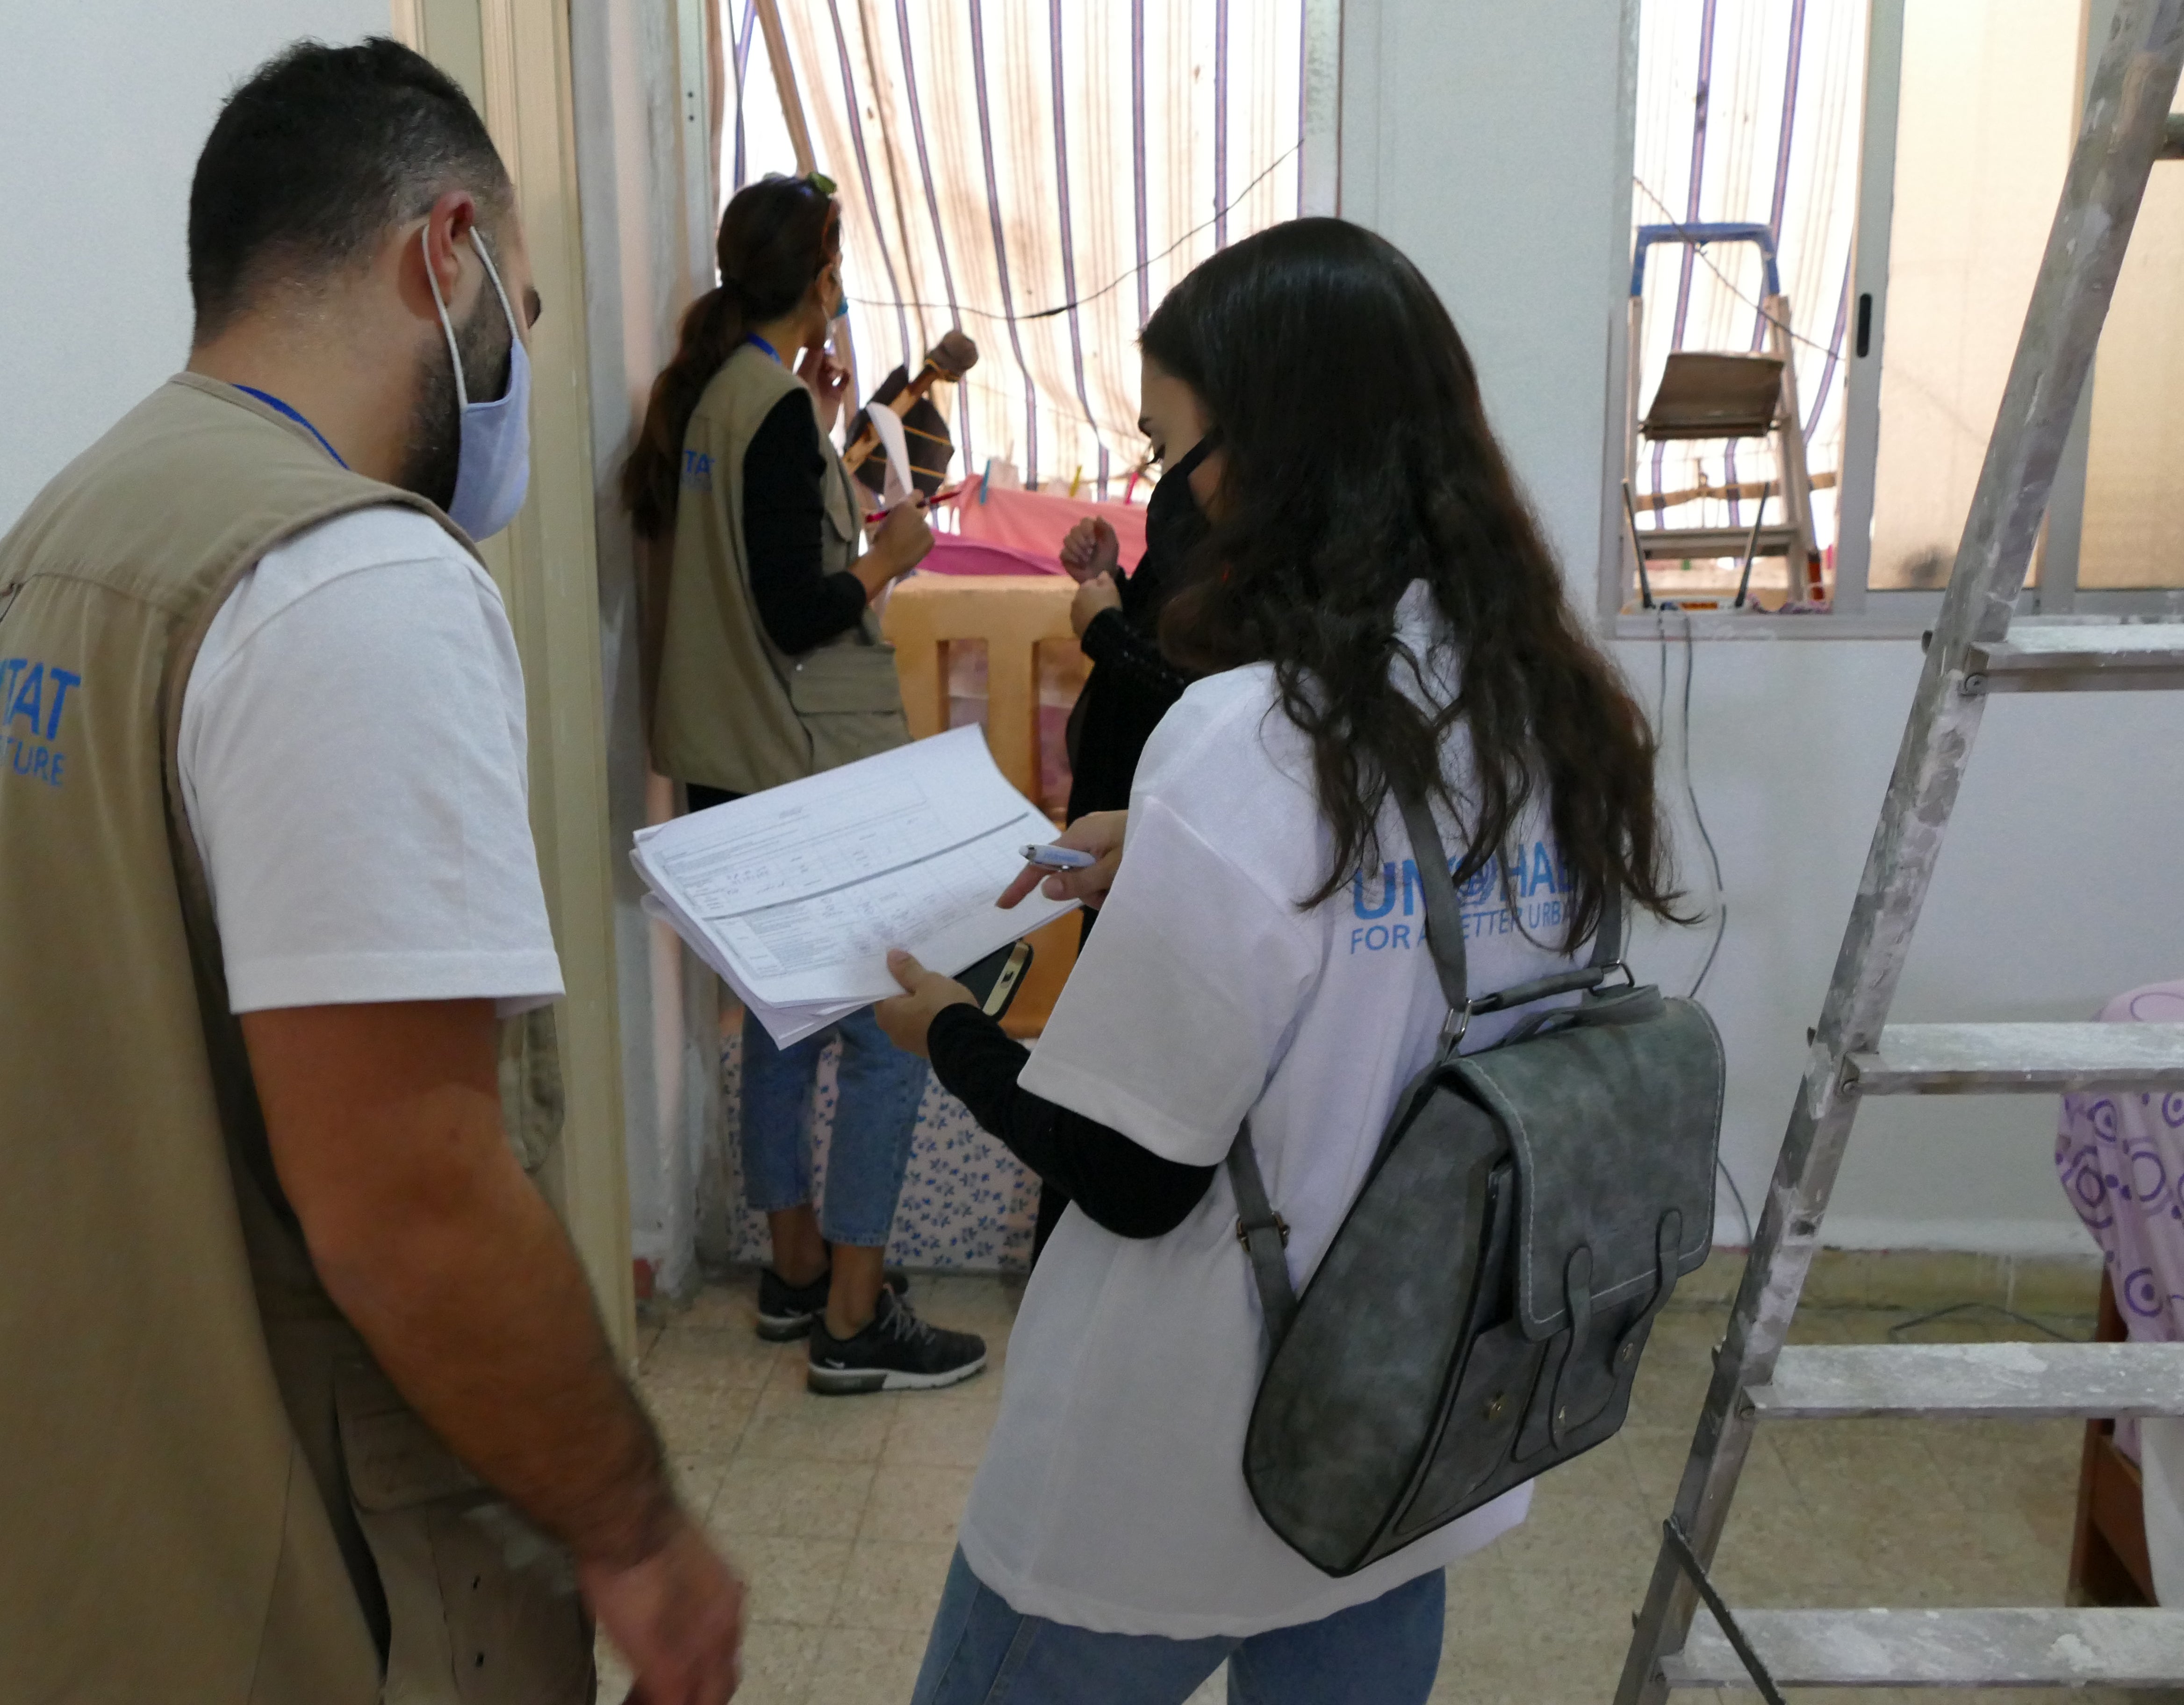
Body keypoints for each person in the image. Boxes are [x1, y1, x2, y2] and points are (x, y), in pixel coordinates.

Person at [0, 41, 740, 1705]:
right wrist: (636, 1524)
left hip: (45, 1551)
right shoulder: (346, 577)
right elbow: (411, 1199)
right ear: (446, 250)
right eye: (528, 305)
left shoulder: (46, 551)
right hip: (281, 1590)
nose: (522, 359)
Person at [874, 217, 1685, 1704]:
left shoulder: (1252, 741)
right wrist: (1165, 849)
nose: (1169, 495)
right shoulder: (1539, 707)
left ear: (1276, 456)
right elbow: (1394, 930)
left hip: (1176, 1463)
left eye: (1174, 451)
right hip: (1405, 1428)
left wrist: (944, 1032)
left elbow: (1131, 1175)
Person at [623, 174, 986, 1395]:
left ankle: (791, 1271)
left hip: (731, 765)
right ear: (821, 281)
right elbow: (795, 605)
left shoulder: (718, 402)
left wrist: (824, 432)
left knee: (780, 1028)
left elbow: (748, 560)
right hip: (804, 769)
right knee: (892, 1036)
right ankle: (851, 1313)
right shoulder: (768, 407)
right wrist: (888, 554)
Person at [1023, 363, 1213, 1257]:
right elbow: (1178, 628)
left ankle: (1088, 1245)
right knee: (1095, 1036)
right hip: (1126, 817)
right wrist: (1119, 581)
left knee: (1116, 1055)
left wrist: (1104, 629)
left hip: (1162, 822)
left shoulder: (1228, 502)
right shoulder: (1199, 497)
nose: (1160, 466)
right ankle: (1074, 1249)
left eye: (1163, 443)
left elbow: (1200, 689)